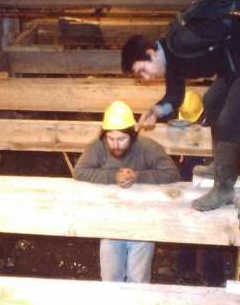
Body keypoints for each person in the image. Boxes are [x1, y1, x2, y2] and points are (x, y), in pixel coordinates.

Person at [120, 0, 240, 212]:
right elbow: (176, 96)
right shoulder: (171, 58)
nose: (145, 77)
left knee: (229, 121)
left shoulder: (182, 40)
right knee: (212, 101)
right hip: (235, 63)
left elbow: (225, 22)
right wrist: (155, 110)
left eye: (142, 70)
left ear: (151, 53)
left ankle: (224, 187)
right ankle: (221, 163)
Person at [73, 100, 180, 283]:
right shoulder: (98, 147)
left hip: (143, 220)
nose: (115, 145)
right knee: (110, 277)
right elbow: (80, 171)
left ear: (133, 135)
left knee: (137, 279)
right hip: (111, 219)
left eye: (121, 139)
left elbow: (172, 174)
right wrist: (113, 176)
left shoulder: (147, 148)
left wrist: (138, 176)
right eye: (111, 139)